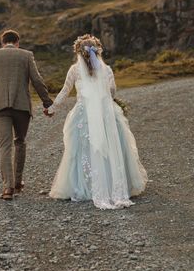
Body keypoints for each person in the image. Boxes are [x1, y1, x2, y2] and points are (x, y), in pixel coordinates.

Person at [47, 34, 148, 209]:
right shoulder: (106, 69)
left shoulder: (74, 70)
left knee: (80, 148)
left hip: (83, 113)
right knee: (112, 146)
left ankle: (84, 186)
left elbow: (65, 91)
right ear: (98, 50)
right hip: (105, 113)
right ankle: (114, 186)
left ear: (78, 52)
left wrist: (52, 108)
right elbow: (112, 91)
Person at [0, 29, 53, 200]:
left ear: (2, 42)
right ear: (17, 42)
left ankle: (7, 188)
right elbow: (37, 81)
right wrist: (47, 103)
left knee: (5, 146)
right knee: (20, 142)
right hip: (21, 106)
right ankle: (18, 182)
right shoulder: (26, 55)